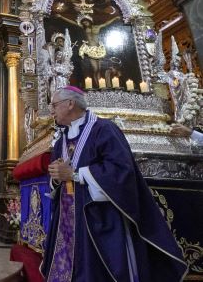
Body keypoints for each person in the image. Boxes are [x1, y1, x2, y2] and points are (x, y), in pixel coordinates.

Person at [40, 86, 187, 281]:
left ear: (70, 104)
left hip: (98, 215)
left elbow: (120, 171)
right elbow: (58, 176)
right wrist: (57, 177)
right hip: (67, 217)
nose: (51, 110)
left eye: (54, 105)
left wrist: (74, 174)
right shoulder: (62, 139)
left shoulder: (103, 129)